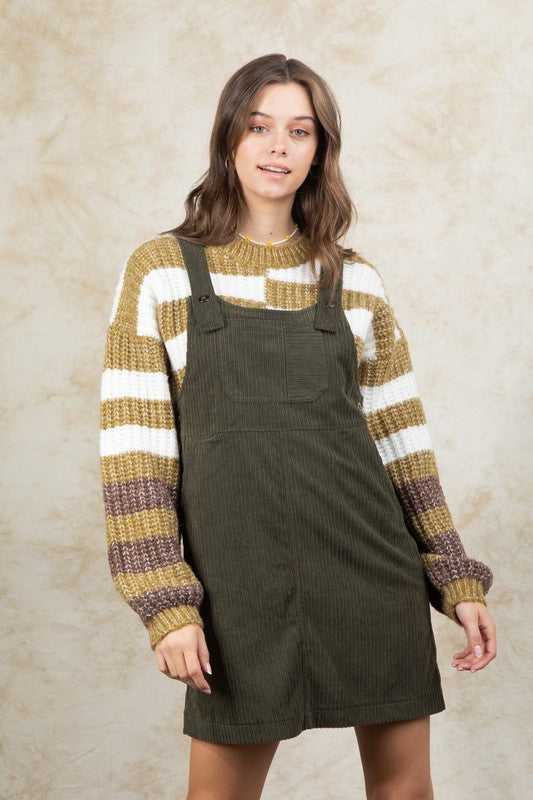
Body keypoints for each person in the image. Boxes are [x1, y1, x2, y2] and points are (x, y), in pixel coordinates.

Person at [99, 53, 496, 800]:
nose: (277, 146)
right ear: (228, 138)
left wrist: (452, 575)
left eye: (299, 131)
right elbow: (135, 457)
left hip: (368, 569)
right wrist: (165, 600)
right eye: (258, 127)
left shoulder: (355, 281)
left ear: (320, 150)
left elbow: (402, 448)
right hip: (237, 586)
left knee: (404, 792)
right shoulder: (160, 271)